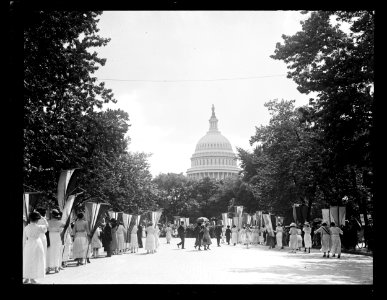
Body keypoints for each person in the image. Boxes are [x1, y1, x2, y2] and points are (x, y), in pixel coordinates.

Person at [23, 211, 48, 284]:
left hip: (29, 244)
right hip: (37, 244)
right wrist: (44, 219)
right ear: (37, 220)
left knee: (28, 260)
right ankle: (33, 278)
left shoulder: (26, 228)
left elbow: (24, 239)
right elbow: (46, 227)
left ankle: (27, 277)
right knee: (36, 260)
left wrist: (24, 247)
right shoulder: (39, 227)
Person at [47, 209, 65, 273]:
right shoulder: (60, 222)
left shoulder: (48, 221)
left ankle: (49, 267)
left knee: (50, 251)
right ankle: (56, 267)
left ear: (52, 215)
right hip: (57, 236)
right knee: (56, 251)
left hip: (50, 235)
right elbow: (63, 228)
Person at [36, 208, 49, 274]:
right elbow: (47, 228)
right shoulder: (44, 219)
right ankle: (43, 268)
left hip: (37, 236)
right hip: (42, 236)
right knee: (43, 252)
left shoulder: (35, 218)